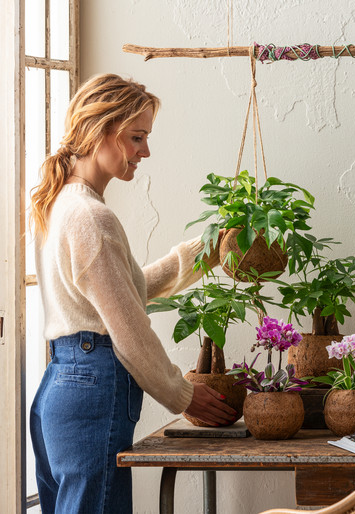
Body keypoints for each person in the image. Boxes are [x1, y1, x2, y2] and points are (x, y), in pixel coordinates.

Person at [28, 73, 237, 514]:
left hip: (60, 386)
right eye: (136, 137)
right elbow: (128, 328)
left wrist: (208, 248)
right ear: (100, 130)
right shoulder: (90, 216)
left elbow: (123, 291)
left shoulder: (61, 204)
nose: (145, 151)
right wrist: (182, 393)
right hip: (92, 390)